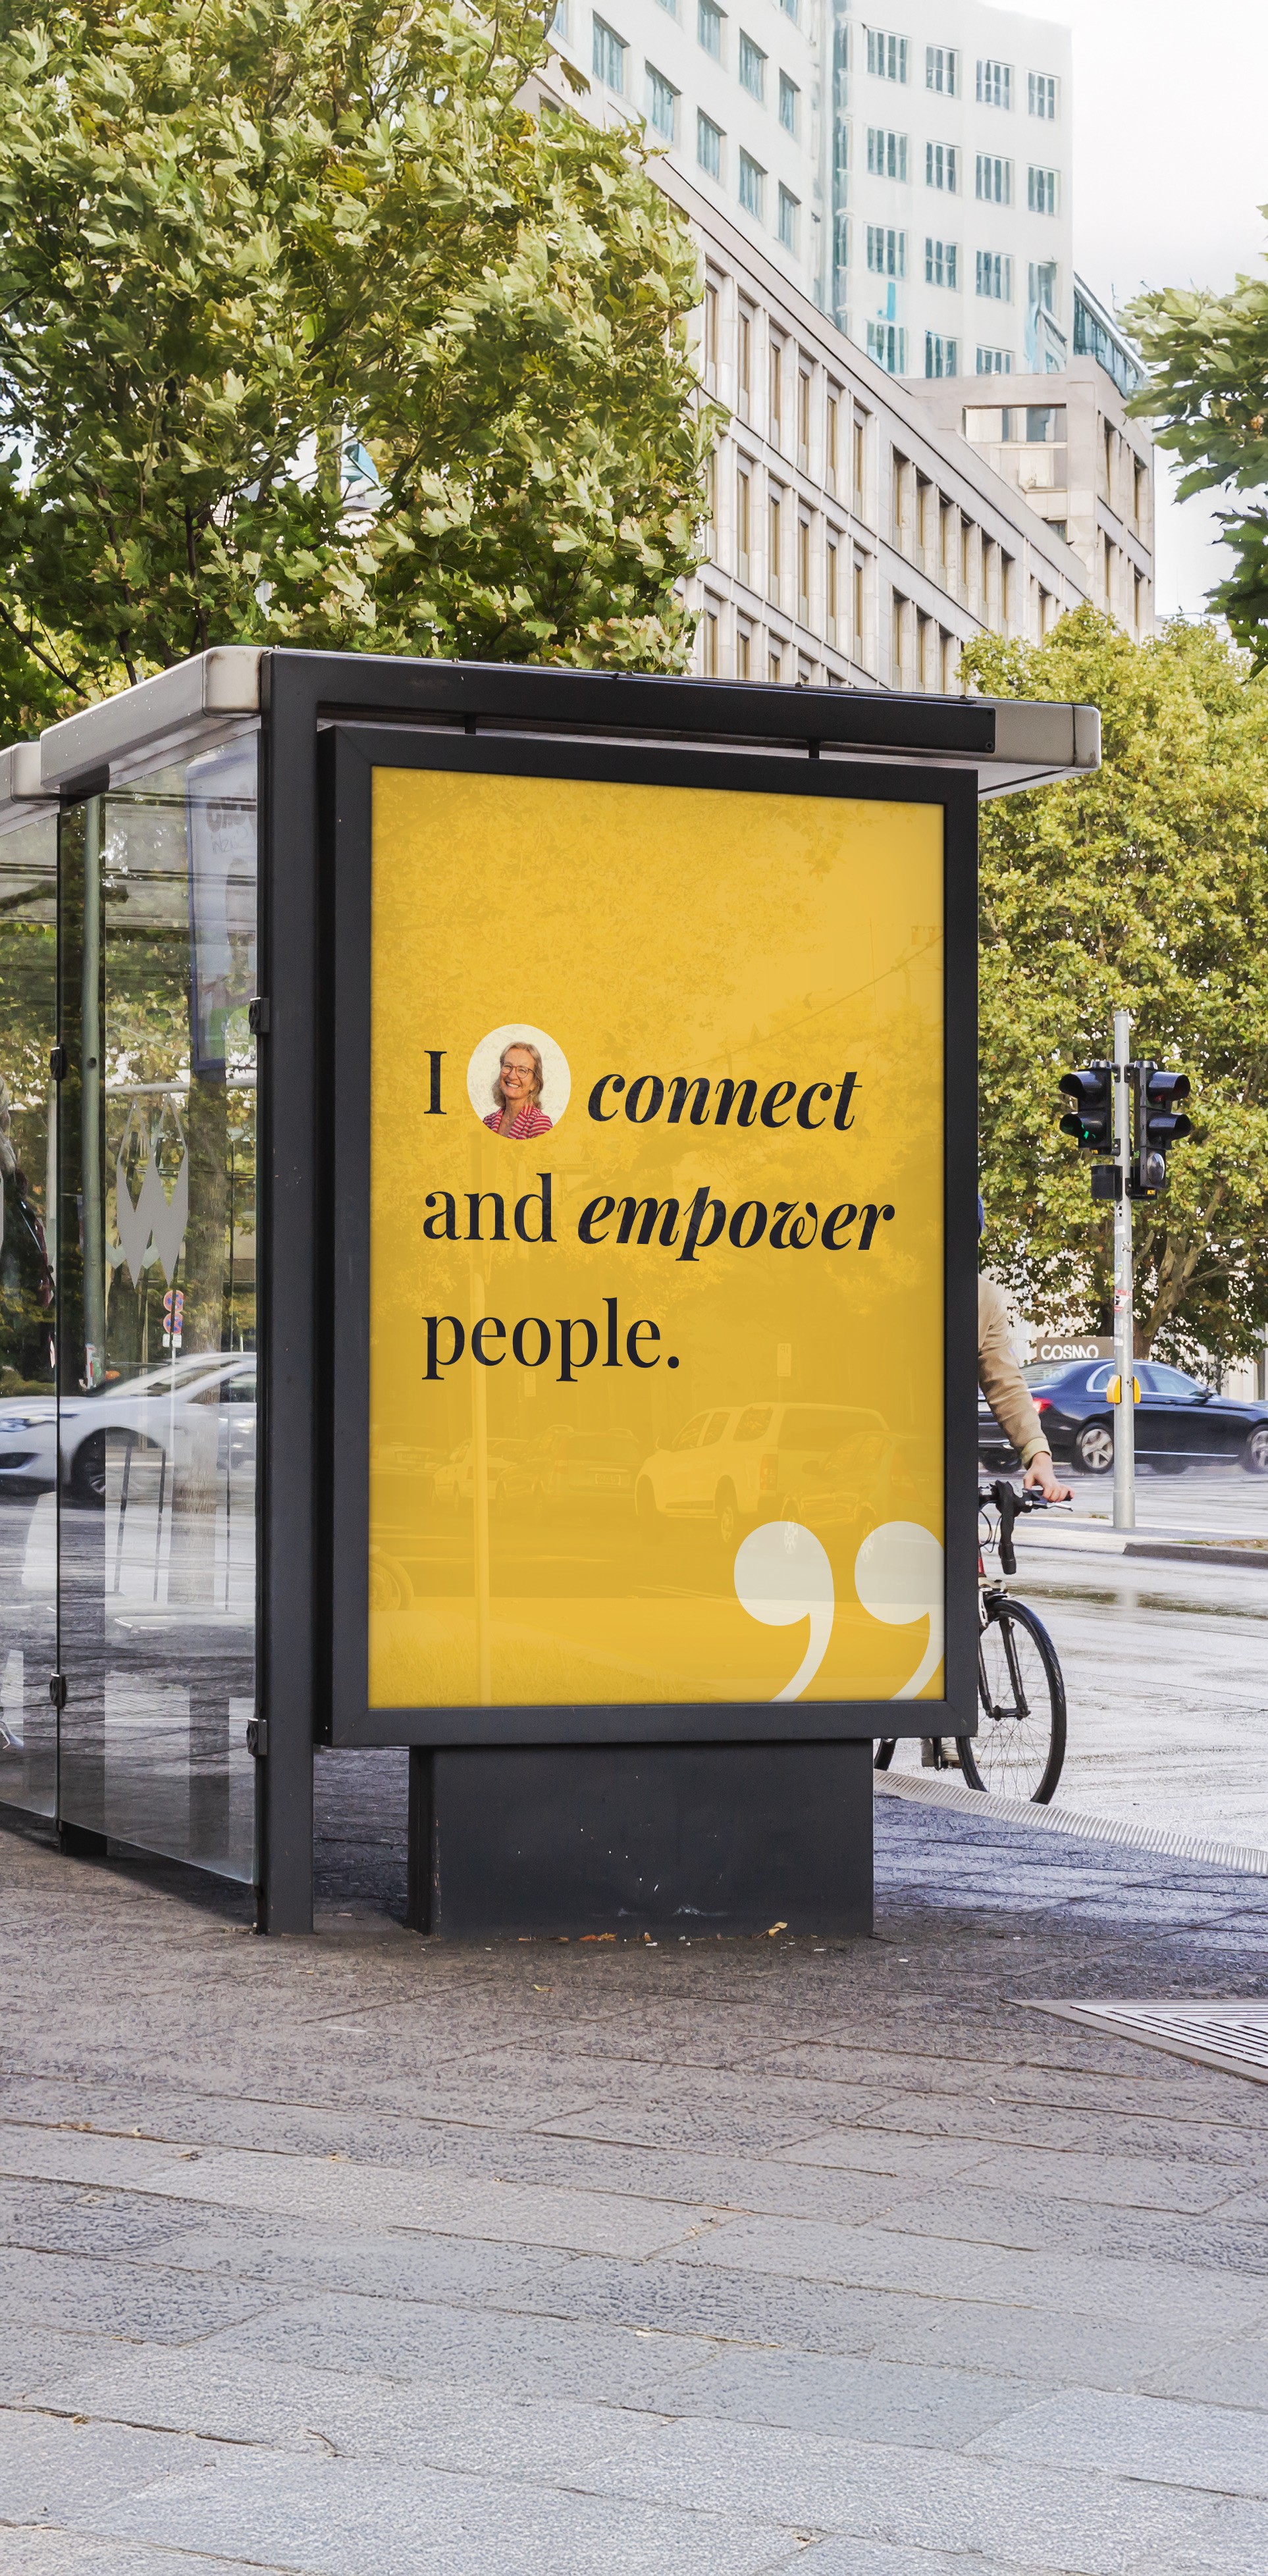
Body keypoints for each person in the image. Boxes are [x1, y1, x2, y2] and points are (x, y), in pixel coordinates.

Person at [924, 1198, 1070, 1769]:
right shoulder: (893, 1283)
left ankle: (940, 1718)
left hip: (947, 1455)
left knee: (959, 1572)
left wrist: (1037, 1454)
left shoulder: (982, 1296)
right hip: (884, 1450)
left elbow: (1004, 1381)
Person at [483, 1040, 553, 1141]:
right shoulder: (488, 1122)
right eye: (508, 1066)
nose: (512, 1076)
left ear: (534, 1083)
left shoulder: (540, 1125)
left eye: (522, 1070)